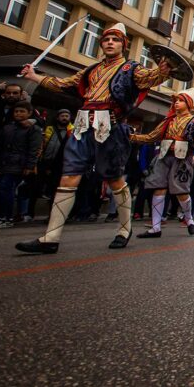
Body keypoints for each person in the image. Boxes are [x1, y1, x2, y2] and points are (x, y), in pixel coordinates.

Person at [15, 22, 173, 253]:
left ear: (123, 45)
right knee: (68, 177)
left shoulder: (131, 68)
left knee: (115, 179)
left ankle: (124, 229)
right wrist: (34, 76)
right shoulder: (90, 71)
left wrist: (164, 69)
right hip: (82, 125)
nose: (110, 42)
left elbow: (150, 78)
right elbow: (62, 84)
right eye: (106, 39)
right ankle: (50, 238)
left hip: (110, 126)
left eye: (115, 39)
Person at [130, 88, 194, 238]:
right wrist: (132, 137)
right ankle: (155, 227)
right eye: (176, 101)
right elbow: (152, 136)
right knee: (159, 188)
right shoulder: (168, 121)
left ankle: (189, 219)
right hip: (164, 156)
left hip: (183, 159)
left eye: (180, 101)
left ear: (189, 103)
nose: (176, 103)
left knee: (182, 193)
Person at [0, 101, 42, 229]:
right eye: (16, 111)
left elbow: (34, 150)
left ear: (29, 113)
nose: (18, 114)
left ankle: (5, 218)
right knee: (1, 191)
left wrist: (29, 166)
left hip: (18, 165)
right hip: (3, 163)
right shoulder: (8, 127)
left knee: (6, 191)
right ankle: (0, 217)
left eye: (22, 111)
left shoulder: (33, 129)